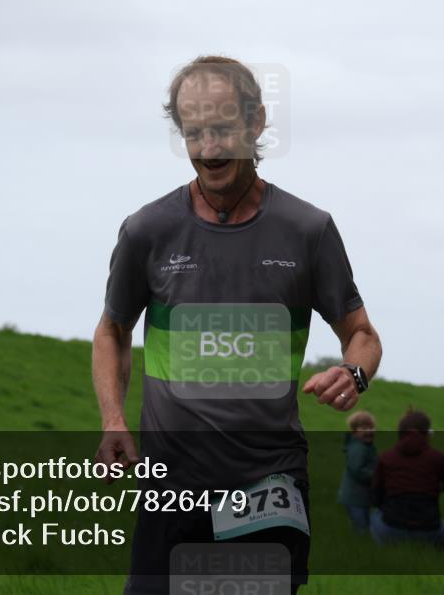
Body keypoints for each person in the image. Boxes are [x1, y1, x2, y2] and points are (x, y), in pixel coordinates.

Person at [91, 56, 383, 595]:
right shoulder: (147, 230)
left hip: (267, 482)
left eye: (222, 129)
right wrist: (113, 419)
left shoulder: (307, 230)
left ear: (256, 121)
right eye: (194, 133)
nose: (208, 148)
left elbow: (361, 334)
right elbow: (112, 330)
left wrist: (354, 373)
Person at [370, 409, 444, 550]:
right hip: (429, 530)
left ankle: (386, 550)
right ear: (426, 433)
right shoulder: (438, 458)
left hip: (393, 529)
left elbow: (375, 499)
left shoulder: (385, 458)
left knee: (375, 516)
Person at [337, 411, 378, 534]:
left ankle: (358, 537)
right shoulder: (358, 448)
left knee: (362, 523)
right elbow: (357, 470)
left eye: (371, 427)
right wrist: (375, 476)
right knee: (362, 527)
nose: (369, 431)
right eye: (364, 428)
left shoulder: (367, 447)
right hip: (354, 496)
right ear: (354, 432)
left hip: (360, 495)